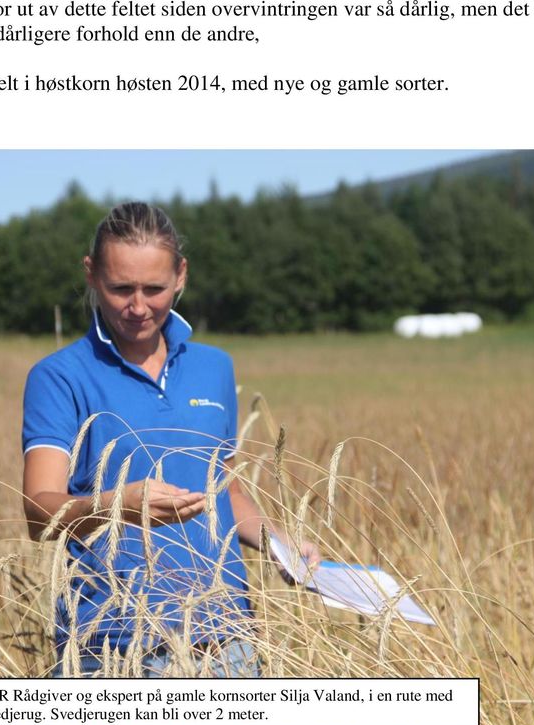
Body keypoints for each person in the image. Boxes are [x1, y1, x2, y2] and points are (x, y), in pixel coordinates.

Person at [22, 201, 317, 680]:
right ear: (92, 274)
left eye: (154, 289)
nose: (138, 307)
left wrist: (277, 542)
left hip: (225, 641)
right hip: (105, 647)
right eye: (121, 288)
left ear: (180, 275)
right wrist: (118, 504)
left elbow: (223, 486)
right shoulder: (58, 377)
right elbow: (38, 512)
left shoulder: (214, 367)